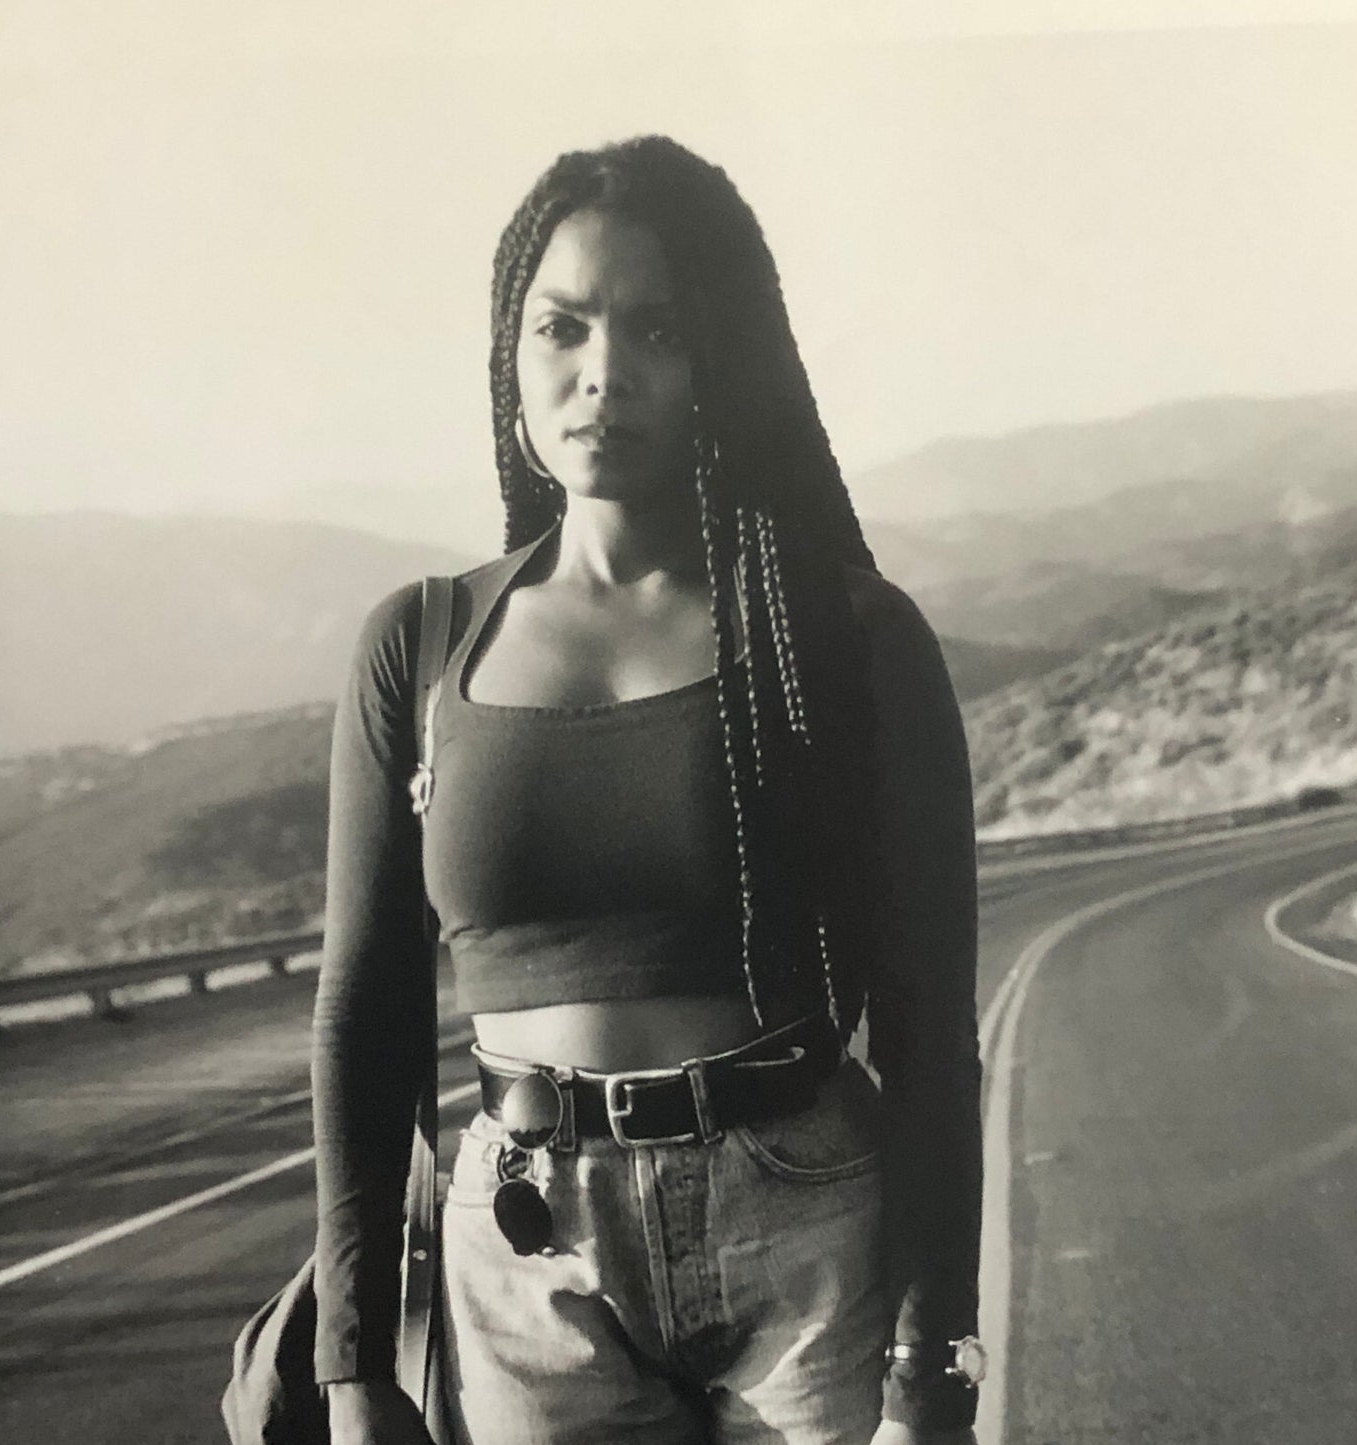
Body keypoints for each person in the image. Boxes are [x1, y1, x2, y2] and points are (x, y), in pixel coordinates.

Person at [311, 135, 983, 1445]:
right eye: (562, 326)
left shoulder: (845, 637)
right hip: (520, 1259)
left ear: (712, 364)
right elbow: (365, 1010)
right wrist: (355, 1360)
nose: (603, 370)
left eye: (654, 329)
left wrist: (934, 1354)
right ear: (511, 357)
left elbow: (923, 1019)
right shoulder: (421, 645)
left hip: (802, 1225)